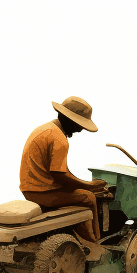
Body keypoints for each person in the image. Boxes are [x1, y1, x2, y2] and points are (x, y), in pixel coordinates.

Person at [20, 96, 110, 243]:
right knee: (89, 198)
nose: (80, 130)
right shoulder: (59, 139)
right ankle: (94, 242)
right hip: (43, 193)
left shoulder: (44, 129)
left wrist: (83, 185)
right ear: (69, 120)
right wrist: (90, 186)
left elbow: (58, 173)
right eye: (79, 125)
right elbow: (60, 175)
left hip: (30, 190)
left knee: (83, 192)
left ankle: (76, 235)